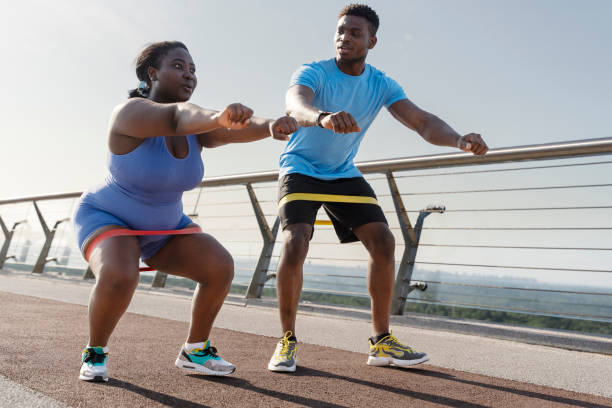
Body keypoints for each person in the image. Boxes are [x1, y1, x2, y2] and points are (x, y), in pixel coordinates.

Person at [268, 4, 488, 372]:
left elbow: (421, 121)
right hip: (300, 168)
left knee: (384, 241)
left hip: (341, 172)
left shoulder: (381, 83)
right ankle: (287, 340)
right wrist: (322, 118)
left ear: (372, 40)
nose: (345, 38)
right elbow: (296, 104)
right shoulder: (312, 71)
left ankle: (381, 342)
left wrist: (459, 140)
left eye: (355, 33)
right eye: (340, 31)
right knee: (296, 240)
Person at [74, 41, 297, 382]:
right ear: (153, 73)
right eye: (178, 66)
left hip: (165, 225)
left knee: (219, 267)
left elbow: (229, 129)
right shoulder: (129, 113)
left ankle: (195, 350)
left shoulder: (198, 128)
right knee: (121, 275)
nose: (189, 75)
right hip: (108, 215)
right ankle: (95, 351)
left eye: (192, 69)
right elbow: (177, 117)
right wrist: (217, 115)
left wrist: (270, 126)